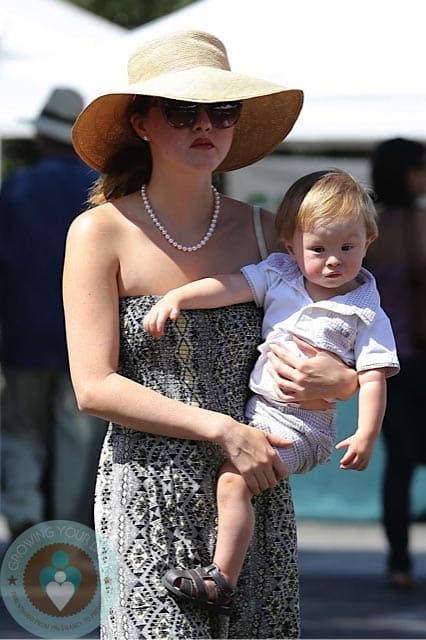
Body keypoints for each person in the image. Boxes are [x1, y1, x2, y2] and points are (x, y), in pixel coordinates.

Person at [64, 30, 358, 639]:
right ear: (142, 122)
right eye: (181, 111)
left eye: (221, 111)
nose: (205, 125)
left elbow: (344, 330)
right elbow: (93, 387)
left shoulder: (264, 231)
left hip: (255, 491)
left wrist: (344, 381)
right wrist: (222, 429)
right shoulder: (98, 234)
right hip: (146, 489)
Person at [144, 169, 400, 606]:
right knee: (219, 480)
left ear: (369, 239)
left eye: (347, 247)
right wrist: (180, 297)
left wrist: (367, 433)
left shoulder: (366, 313)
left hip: (304, 428)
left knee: (232, 482)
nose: (333, 260)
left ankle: (220, 579)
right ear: (290, 245)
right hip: (258, 412)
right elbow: (231, 286)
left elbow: (373, 376)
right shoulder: (280, 276)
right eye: (318, 249)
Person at [0, 87, 106, 537]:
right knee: (75, 440)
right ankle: (64, 529)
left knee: (21, 429)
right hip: (87, 338)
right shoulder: (101, 190)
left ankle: (23, 510)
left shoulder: (16, 187)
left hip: (23, 334)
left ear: (43, 137)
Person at [366, 138, 426, 590]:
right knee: (401, 464)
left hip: (387, 363)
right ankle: (399, 563)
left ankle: (399, 564)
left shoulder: (369, 230)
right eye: (419, 166)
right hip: (401, 363)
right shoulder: (387, 228)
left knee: (399, 464)